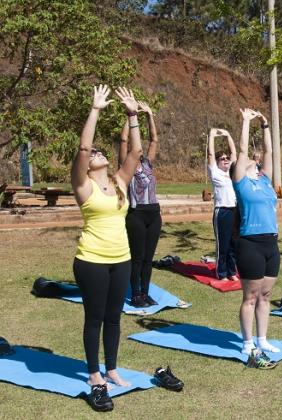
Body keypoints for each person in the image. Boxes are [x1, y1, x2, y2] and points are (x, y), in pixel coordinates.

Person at [71, 85, 143, 411]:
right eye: (94, 155)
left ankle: (111, 368)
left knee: (114, 317)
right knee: (95, 317)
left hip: (121, 259)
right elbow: (85, 145)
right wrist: (95, 110)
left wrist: (133, 116)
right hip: (91, 260)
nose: (97, 153)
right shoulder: (83, 185)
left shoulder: (119, 182)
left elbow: (136, 154)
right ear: (86, 166)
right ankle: (93, 372)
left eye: (102, 152)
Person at [232, 108, 280, 365]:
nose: (254, 159)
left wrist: (264, 125)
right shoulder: (241, 182)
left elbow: (270, 152)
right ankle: (247, 343)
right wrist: (245, 122)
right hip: (250, 243)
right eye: (249, 160)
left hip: (271, 243)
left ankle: (263, 339)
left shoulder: (265, 180)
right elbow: (240, 152)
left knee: (266, 296)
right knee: (250, 296)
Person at [118, 101, 161, 307]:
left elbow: (154, 139)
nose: (140, 150)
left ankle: (145, 293)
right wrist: (131, 115)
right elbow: (124, 139)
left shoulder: (148, 164)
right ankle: (135, 295)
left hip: (154, 214)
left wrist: (149, 114)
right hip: (136, 214)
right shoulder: (126, 166)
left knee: (148, 258)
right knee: (137, 257)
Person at [207, 128, 239, 281]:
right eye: (222, 158)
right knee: (223, 245)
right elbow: (211, 155)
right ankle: (221, 273)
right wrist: (212, 136)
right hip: (222, 212)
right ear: (218, 162)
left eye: (227, 158)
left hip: (234, 211)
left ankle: (232, 272)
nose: (226, 159)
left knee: (234, 244)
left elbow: (234, 152)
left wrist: (228, 135)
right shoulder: (215, 172)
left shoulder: (231, 172)